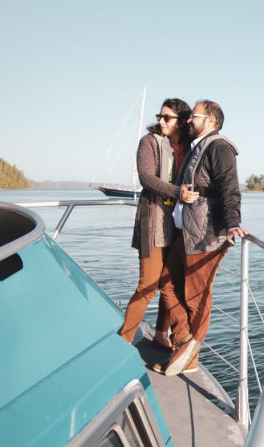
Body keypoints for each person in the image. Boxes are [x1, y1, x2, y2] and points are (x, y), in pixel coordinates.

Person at [155, 99, 249, 376]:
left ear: (211, 121)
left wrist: (233, 224)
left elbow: (230, 188)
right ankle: (184, 344)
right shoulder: (198, 147)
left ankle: (190, 358)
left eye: (193, 116)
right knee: (167, 285)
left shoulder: (219, 147)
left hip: (206, 234)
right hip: (187, 232)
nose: (188, 120)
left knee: (196, 297)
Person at [118, 98, 192, 350]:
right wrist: (176, 191)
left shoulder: (188, 146)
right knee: (148, 285)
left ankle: (161, 334)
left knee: (169, 284)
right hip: (153, 222)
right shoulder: (149, 142)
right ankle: (124, 341)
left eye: (167, 118)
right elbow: (147, 178)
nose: (161, 121)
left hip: (178, 224)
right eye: (160, 116)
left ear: (181, 121)